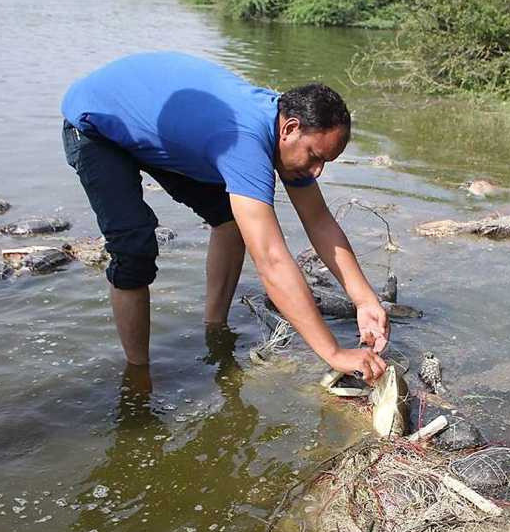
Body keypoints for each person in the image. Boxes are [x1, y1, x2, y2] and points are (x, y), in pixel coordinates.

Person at [61, 51, 388, 384]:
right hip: (97, 125)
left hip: (162, 125)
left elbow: (319, 221)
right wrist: (333, 352)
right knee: (134, 247)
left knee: (230, 221)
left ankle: (214, 329)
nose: (316, 171)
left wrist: (365, 300)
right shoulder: (247, 143)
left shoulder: (286, 130)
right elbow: (272, 262)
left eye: (325, 163)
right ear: (290, 127)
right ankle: (138, 373)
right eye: (315, 157)